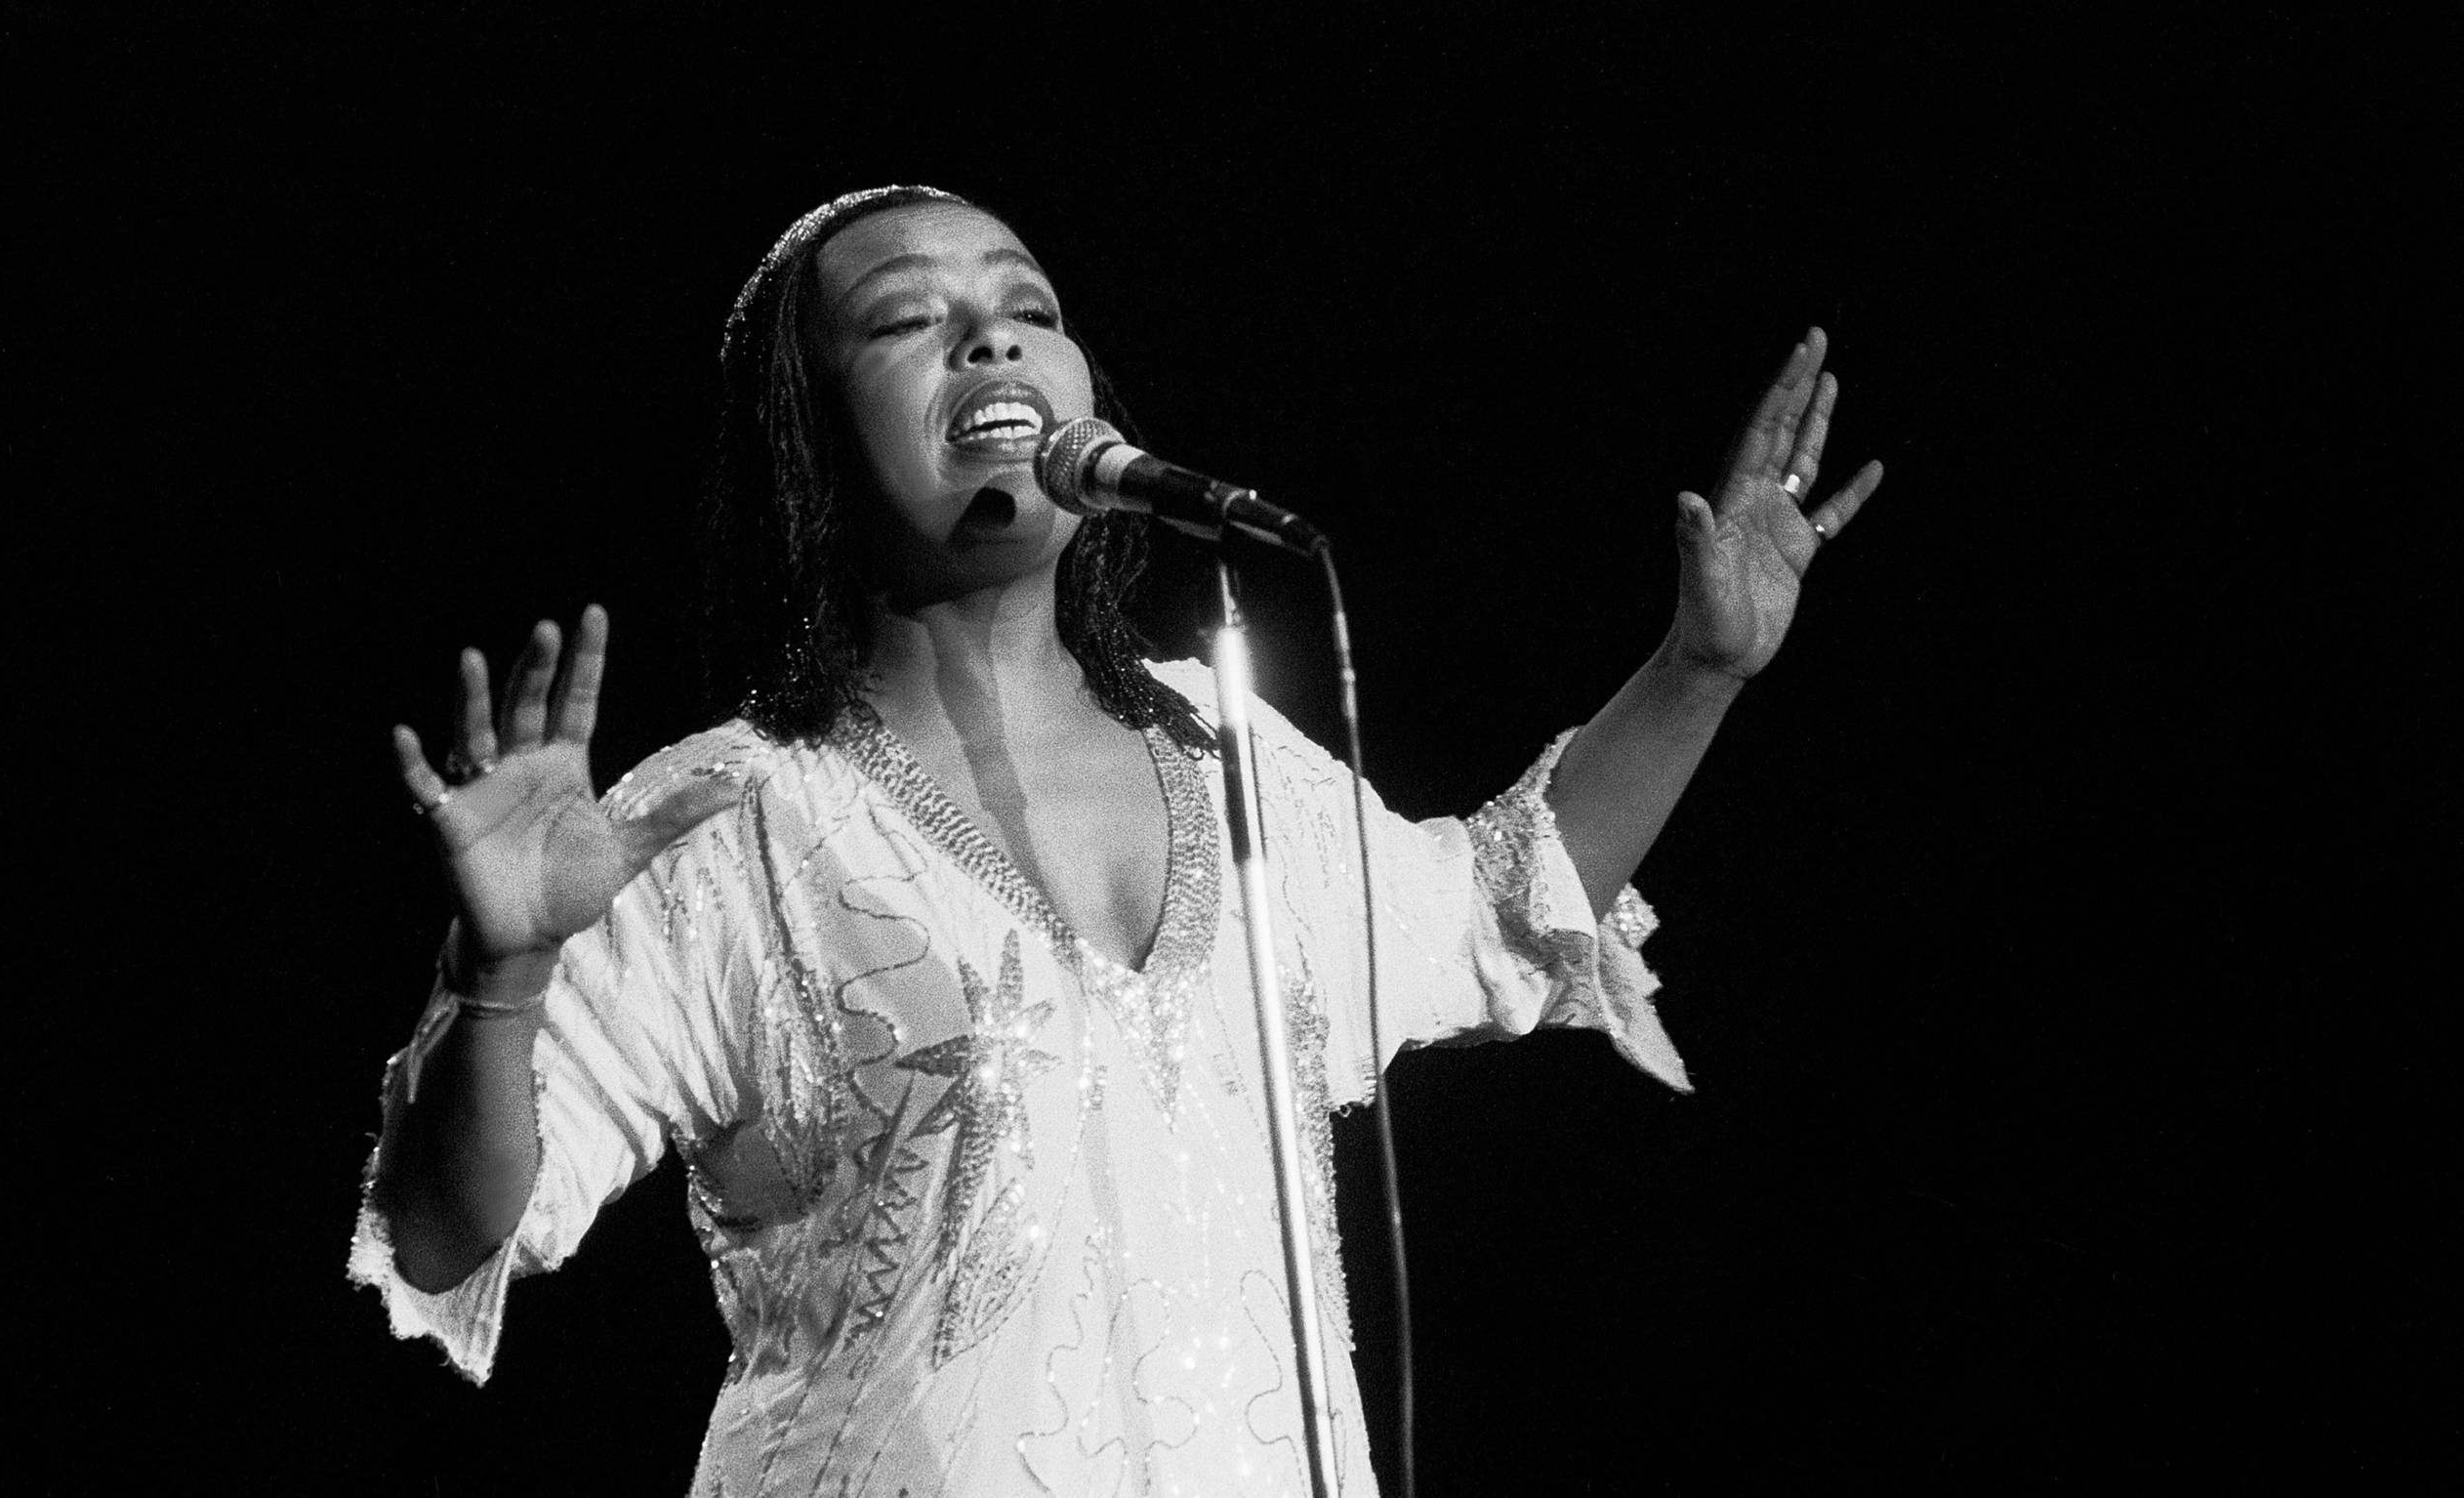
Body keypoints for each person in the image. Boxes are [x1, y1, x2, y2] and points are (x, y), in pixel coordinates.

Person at [351, 184, 1882, 1497]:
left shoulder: (1222, 755)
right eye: (905, 319)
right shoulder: (724, 815)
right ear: (805, 439)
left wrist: (1698, 671)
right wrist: (501, 976)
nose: (991, 336)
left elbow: (1494, 913)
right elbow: (448, 1229)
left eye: (1029, 306)